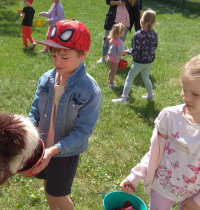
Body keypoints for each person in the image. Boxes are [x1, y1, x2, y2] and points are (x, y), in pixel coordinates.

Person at [28, 19, 102, 210]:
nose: (57, 61)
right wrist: (27, 134)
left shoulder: (89, 90)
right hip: (43, 147)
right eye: (53, 55)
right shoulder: (46, 79)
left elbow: (83, 132)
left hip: (64, 153)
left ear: (83, 54)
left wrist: (54, 150)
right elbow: (35, 111)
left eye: (64, 57)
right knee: (49, 188)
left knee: (57, 196)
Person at [120, 54, 200, 209]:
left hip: (194, 193)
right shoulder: (170, 117)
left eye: (196, 94)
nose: (186, 97)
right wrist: (135, 176)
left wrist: (197, 201)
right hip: (163, 186)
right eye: (184, 89)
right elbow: (154, 152)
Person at [112, 9, 158, 104]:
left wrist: (127, 51)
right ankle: (150, 96)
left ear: (141, 21)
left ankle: (123, 99)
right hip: (149, 61)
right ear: (153, 22)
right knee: (146, 77)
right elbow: (155, 46)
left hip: (139, 62)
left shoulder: (138, 34)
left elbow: (135, 50)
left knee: (129, 78)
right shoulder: (154, 34)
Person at [97, 0, 142, 64]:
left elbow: (138, 11)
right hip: (113, 20)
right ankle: (103, 57)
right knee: (107, 39)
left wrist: (139, 26)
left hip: (125, 23)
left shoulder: (136, 1)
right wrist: (119, 3)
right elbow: (108, 1)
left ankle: (115, 60)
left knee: (120, 42)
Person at [106, 23, 129, 88]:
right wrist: (126, 51)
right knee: (113, 72)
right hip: (115, 59)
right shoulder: (119, 42)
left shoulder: (112, 39)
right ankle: (111, 84)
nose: (124, 33)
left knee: (111, 70)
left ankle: (109, 80)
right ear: (120, 32)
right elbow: (121, 52)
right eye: (123, 31)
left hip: (109, 58)